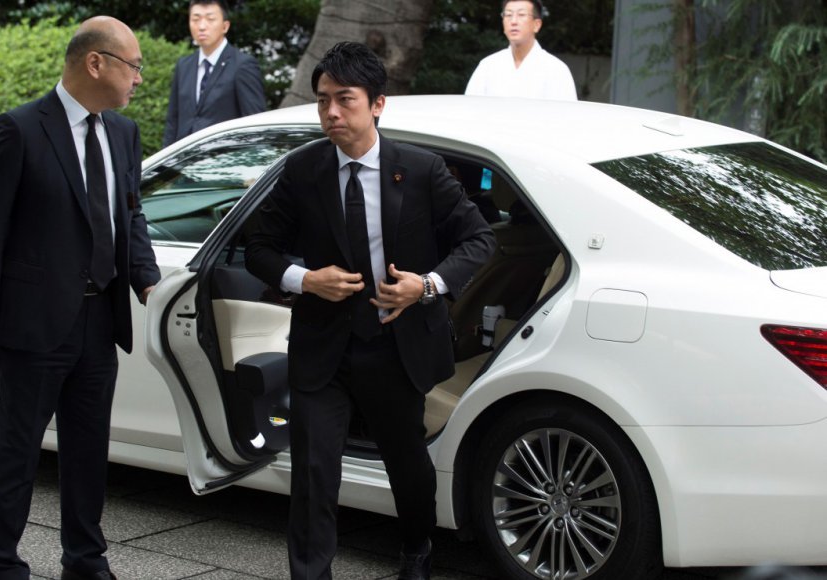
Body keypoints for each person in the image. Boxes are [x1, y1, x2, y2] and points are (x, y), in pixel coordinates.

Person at [246, 42, 495, 580]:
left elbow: (479, 239)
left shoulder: (421, 170)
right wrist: (306, 280)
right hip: (323, 346)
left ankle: (417, 549)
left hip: (394, 344)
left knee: (407, 464)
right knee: (313, 470)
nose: (331, 112)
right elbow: (258, 249)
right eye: (322, 101)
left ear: (378, 104)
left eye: (345, 99)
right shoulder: (303, 170)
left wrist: (426, 286)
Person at [0, 16, 161, 580]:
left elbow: (130, 215)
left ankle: (85, 560)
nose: (138, 79)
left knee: (88, 450)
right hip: (35, 321)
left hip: (101, 319)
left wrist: (148, 279)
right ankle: (3, 565)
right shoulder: (20, 129)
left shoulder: (123, 133)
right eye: (134, 66)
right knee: (18, 451)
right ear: (96, 63)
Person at [162, 0, 266, 147]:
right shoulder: (184, 65)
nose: (202, 26)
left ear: (225, 26)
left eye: (210, 19)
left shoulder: (242, 65)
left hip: (225, 156)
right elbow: (173, 121)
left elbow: (255, 122)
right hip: (185, 157)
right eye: (196, 19)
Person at [465, 0, 577, 100]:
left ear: (537, 25)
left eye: (521, 14)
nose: (513, 21)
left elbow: (567, 114)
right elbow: (469, 108)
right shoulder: (487, 66)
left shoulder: (556, 69)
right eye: (508, 15)